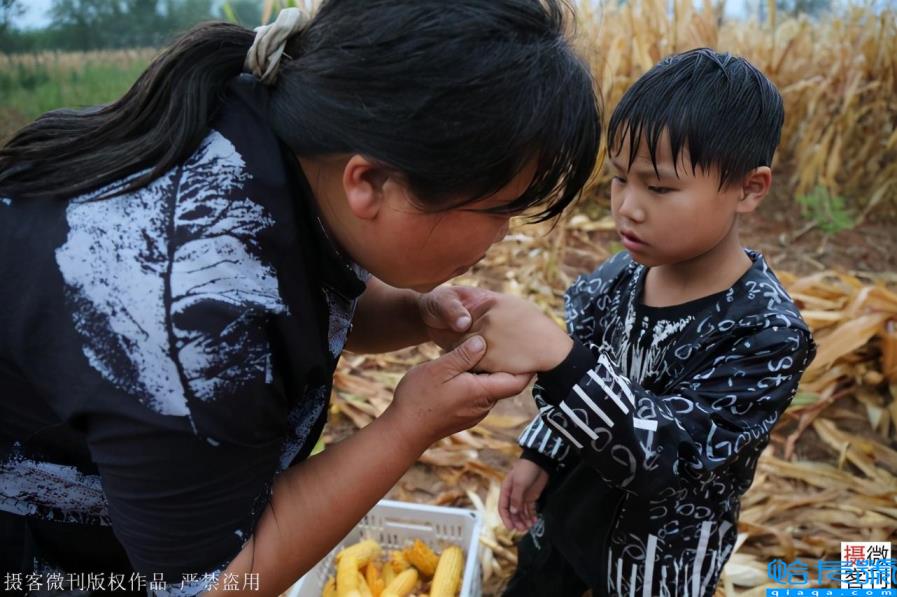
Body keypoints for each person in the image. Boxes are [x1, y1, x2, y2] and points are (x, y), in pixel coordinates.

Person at [0, 2, 600, 595]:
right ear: (369, 182)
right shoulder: (189, 308)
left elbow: (295, 306)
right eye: (499, 210)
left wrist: (413, 315)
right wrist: (407, 428)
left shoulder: (282, 142)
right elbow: (216, 584)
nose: (503, 236)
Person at [460, 48, 816, 596]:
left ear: (749, 188)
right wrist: (541, 454)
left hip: (656, 563)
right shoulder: (617, 278)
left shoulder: (764, 334)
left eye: (660, 187)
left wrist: (560, 358)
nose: (627, 206)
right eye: (620, 179)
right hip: (565, 517)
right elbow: (576, 378)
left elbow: (669, 460)